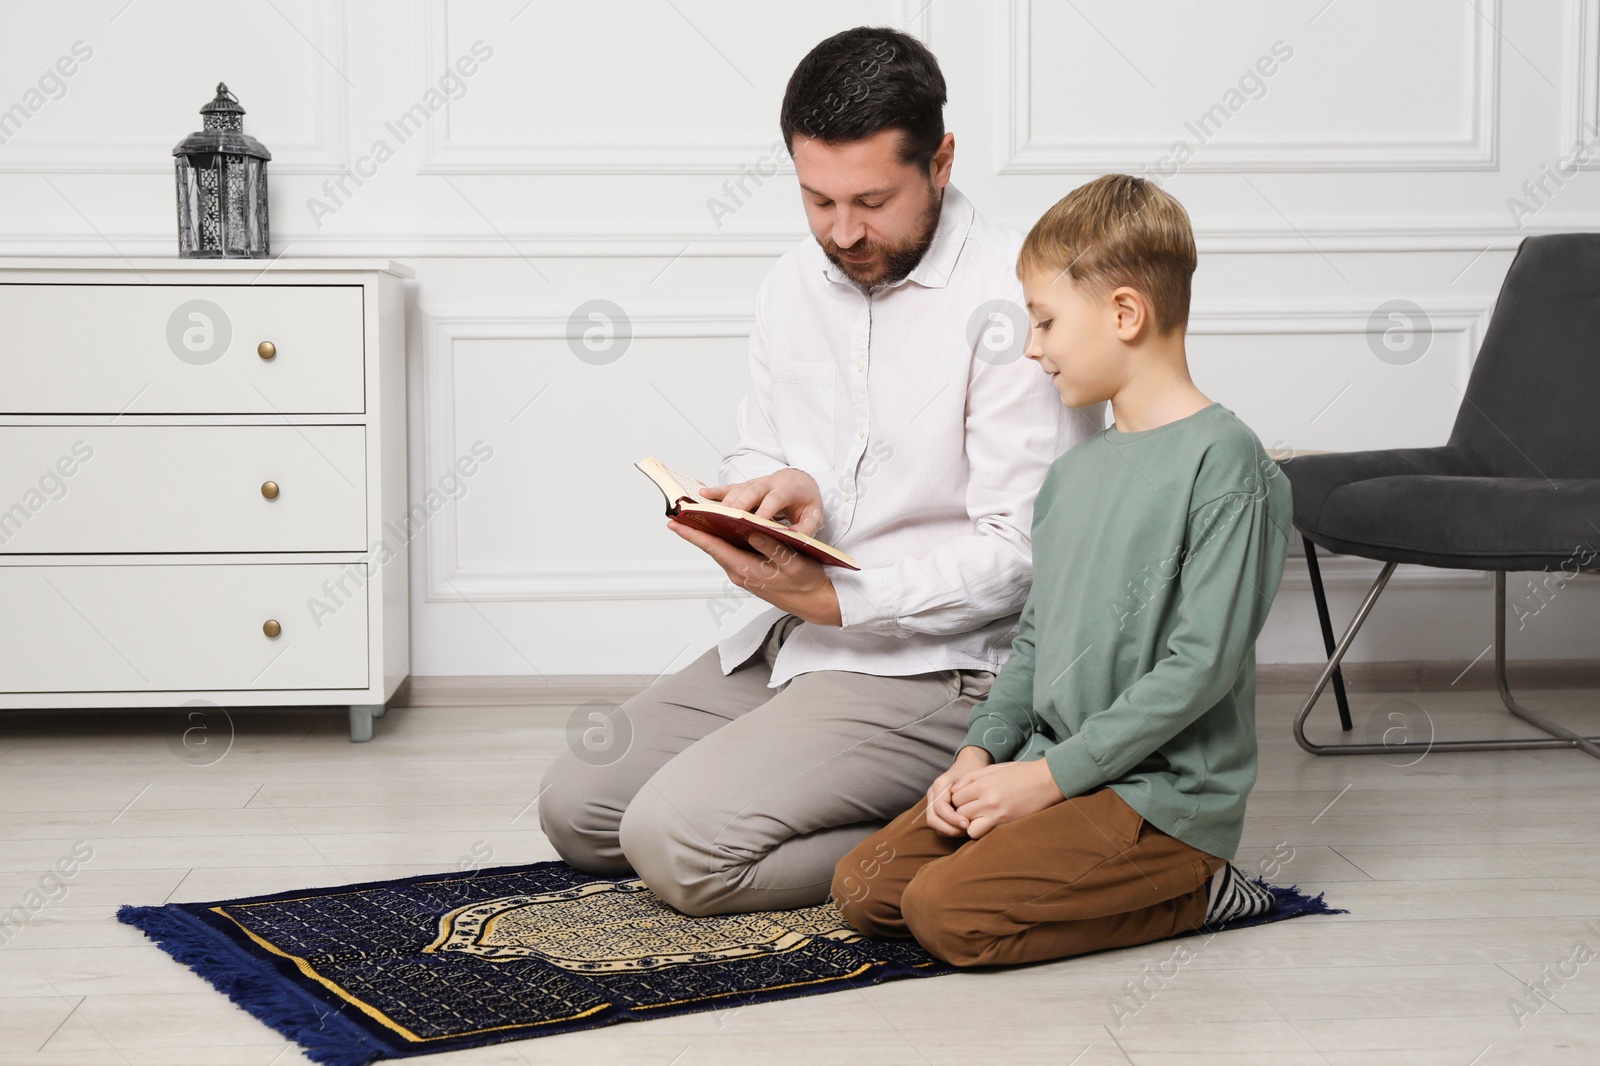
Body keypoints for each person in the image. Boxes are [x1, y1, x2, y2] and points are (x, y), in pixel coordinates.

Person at [537, 27, 1102, 916]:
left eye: (872, 201)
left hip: (946, 670)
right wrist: (779, 487)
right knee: (580, 812)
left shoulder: (1019, 296)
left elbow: (1026, 553)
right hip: (801, 642)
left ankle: (977, 821)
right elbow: (759, 446)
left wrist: (843, 601)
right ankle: (894, 802)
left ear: (941, 161)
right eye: (818, 200)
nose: (844, 232)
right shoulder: (791, 284)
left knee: (678, 850)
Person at [831, 173, 1293, 966]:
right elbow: (1037, 643)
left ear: (1124, 313)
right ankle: (1046, 841)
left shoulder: (1227, 463)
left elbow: (1200, 668)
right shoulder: (1073, 476)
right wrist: (981, 754)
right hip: (1047, 764)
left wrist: (1048, 780)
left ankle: (1199, 889)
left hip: (1159, 797)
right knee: (864, 889)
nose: (1034, 348)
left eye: (1044, 322)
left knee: (949, 916)